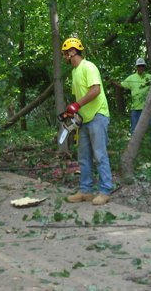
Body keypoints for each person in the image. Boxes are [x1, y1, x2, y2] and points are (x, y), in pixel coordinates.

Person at [60, 37, 113, 206]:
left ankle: (105, 191)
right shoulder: (75, 72)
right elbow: (81, 99)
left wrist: (76, 105)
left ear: (73, 51)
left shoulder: (88, 67)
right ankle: (85, 191)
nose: (64, 56)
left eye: (65, 53)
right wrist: (74, 114)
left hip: (98, 115)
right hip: (85, 119)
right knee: (83, 156)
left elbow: (95, 90)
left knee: (100, 154)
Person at [112, 57, 151, 147]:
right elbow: (121, 85)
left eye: (142, 66)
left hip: (147, 107)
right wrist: (112, 81)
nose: (140, 67)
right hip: (135, 108)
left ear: (144, 67)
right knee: (134, 128)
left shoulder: (149, 77)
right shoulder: (131, 78)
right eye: (139, 66)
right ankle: (135, 146)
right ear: (136, 67)